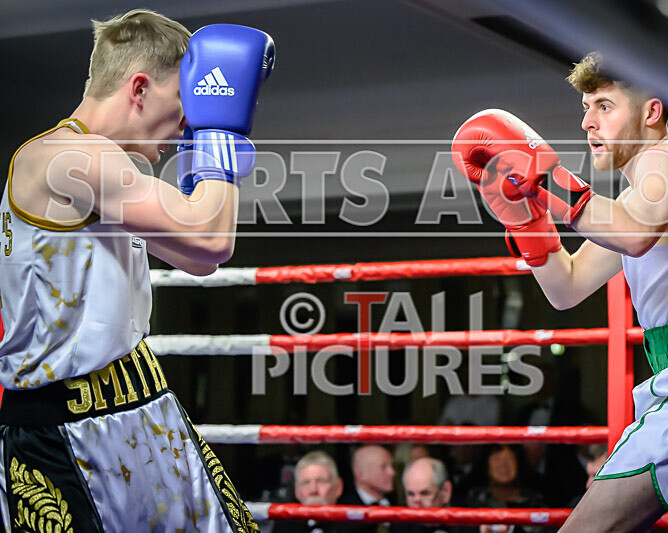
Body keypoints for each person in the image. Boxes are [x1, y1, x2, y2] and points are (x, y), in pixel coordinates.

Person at [452, 51, 668, 531]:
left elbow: (633, 233)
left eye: (603, 105)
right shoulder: (634, 202)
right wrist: (528, 220)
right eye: (584, 107)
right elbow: (567, 287)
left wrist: (545, 180)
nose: (587, 122)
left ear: (651, 112)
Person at [0, 9, 274, 531]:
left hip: (146, 406)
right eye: (182, 107)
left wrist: (211, 144)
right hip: (65, 427)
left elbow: (199, 258)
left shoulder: (111, 165)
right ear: (140, 88)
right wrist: (220, 130)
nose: (185, 126)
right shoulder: (65, 157)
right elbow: (210, 236)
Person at [391, 457, 478, 533]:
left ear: (445, 491)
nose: (417, 501)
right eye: (410, 494)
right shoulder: (399, 524)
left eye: (425, 493)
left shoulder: (471, 520)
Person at [272, 451, 344, 533]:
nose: (313, 490)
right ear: (297, 490)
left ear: (338, 487)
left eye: (321, 481)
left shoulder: (356, 526)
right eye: (306, 482)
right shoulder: (284, 526)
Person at [339, 445, 396, 533]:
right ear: (360, 473)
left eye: (392, 466)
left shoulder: (397, 505)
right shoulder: (343, 511)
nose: (392, 472)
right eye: (383, 467)